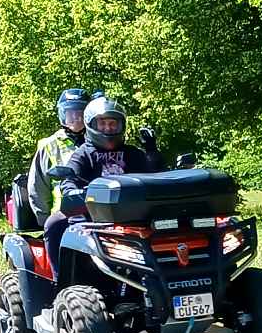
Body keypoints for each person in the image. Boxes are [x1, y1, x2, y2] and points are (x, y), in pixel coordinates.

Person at [45, 96, 162, 278]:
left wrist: (152, 150)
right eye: (103, 124)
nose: (108, 128)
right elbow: (70, 177)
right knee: (53, 224)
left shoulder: (133, 153)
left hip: (133, 216)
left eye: (113, 124)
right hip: (93, 215)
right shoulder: (83, 153)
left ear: (121, 125)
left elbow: (155, 176)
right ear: (92, 125)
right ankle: (60, 279)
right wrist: (71, 191)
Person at [28, 88, 91, 225]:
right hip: (63, 215)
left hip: (98, 212)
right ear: (62, 114)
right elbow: (37, 188)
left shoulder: (100, 142)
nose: (75, 117)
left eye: (80, 112)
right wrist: (45, 220)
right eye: (70, 113)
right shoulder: (48, 145)